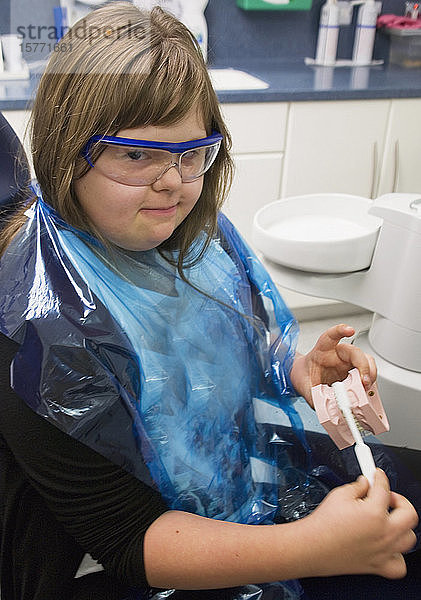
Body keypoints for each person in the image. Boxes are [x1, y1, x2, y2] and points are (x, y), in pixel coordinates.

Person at [0, 3, 419, 600]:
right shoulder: (36, 322)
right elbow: (126, 540)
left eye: (191, 151)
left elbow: (230, 352)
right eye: (135, 154)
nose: (173, 181)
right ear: (68, 152)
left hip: (232, 476)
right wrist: (321, 547)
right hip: (122, 556)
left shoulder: (195, 236)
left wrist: (302, 372)